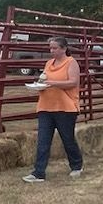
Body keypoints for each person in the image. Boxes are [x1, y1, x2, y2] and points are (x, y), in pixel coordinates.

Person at [23, 35, 83, 182]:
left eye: (55, 48)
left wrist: (52, 83)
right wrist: (40, 85)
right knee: (43, 140)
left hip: (65, 108)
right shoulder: (49, 63)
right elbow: (44, 79)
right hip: (46, 106)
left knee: (67, 139)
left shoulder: (71, 62)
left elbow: (73, 82)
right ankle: (39, 173)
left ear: (64, 48)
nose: (52, 50)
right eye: (50, 48)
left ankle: (76, 165)